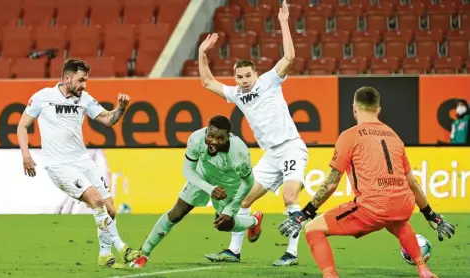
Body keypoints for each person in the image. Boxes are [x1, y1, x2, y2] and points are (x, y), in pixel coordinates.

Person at [278, 87, 456, 278]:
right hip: (402, 205)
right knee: (398, 222)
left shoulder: (350, 135)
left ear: (354, 108)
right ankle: (423, 269)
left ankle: (330, 275)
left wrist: (305, 213)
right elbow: (411, 181)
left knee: (313, 229)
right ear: (378, 109)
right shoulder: (394, 135)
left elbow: (331, 183)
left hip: (372, 207)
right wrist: (431, 215)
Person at [197, 0, 308, 266]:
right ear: (235, 78)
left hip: (291, 147)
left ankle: (291, 253)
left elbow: (290, 58)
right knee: (242, 199)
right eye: (239, 77)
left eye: (248, 75)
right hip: (270, 155)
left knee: (289, 197)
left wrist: (283, 22)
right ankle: (233, 252)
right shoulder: (236, 94)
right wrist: (202, 53)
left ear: (255, 73)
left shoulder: (270, 81)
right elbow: (207, 82)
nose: (244, 80)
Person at [17, 58, 140, 268]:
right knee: (96, 200)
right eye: (81, 80)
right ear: (67, 78)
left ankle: (104, 255)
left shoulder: (85, 98)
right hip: (59, 165)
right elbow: (22, 126)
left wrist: (121, 107)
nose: (84, 85)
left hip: (83, 161)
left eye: (86, 81)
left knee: (110, 209)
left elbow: (108, 120)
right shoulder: (42, 97)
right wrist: (26, 155)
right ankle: (123, 248)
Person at [129, 115, 262, 268]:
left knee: (223, 225)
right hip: (202, 176)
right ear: (207, 130)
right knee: (177, 212)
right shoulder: (196, 139)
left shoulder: (239, 153)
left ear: (228, 137)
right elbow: (188, 169)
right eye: (211, 136)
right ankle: (144, 254)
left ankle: (254, 221)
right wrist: (209, 188)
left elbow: (248, 182)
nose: (213, 141)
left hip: (229, 185)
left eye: (220, 138)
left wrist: (231, 209)